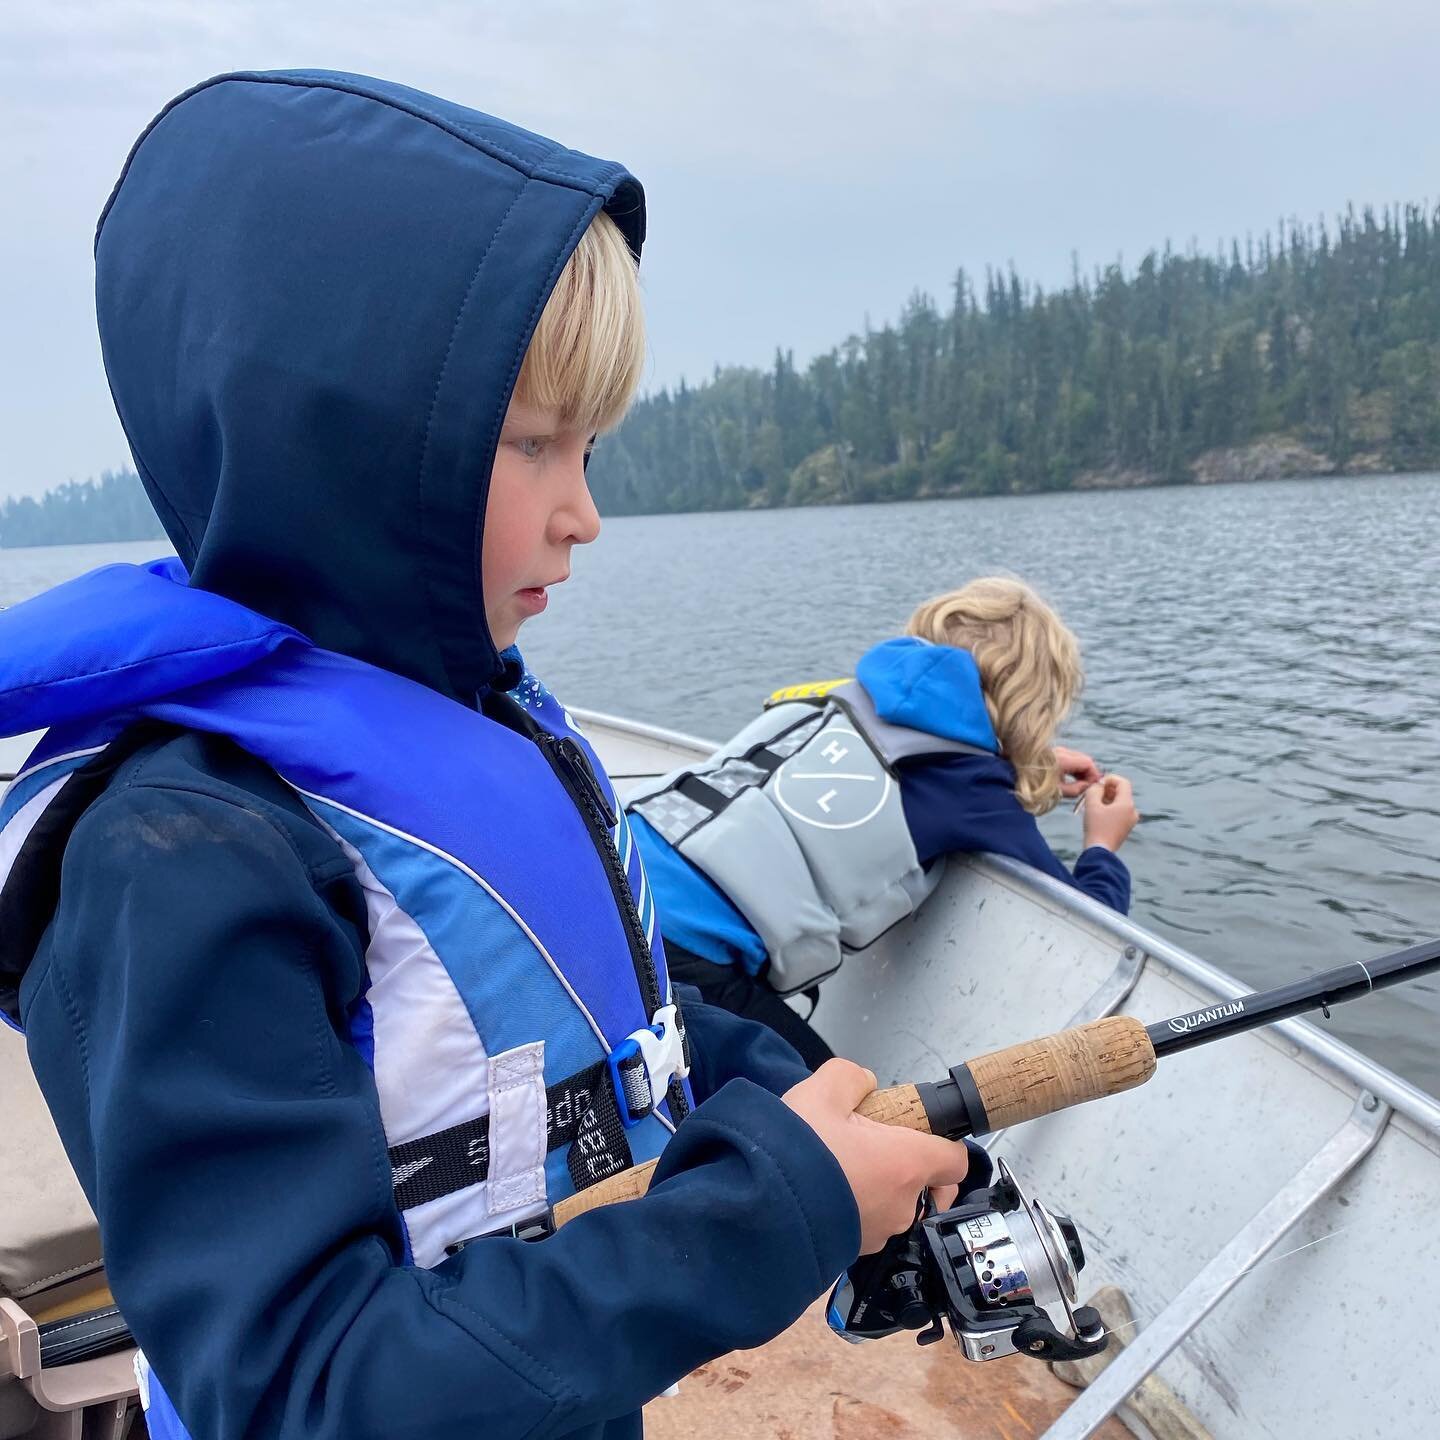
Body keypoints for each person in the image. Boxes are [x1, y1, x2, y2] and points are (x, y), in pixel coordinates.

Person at [0, 71, 978, 1440]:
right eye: (532, 446)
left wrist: (796, 1110)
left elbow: (609, 1025)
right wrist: (772, 1213)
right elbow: (306, 1394)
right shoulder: (179, 858)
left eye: (589, 446)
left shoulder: (480, 719)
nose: (584, 513)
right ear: (332, 460)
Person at [628, 577, 1140, 1069]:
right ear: (1032, 703)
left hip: (612, 871)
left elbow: (904, 769)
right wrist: (1102, 844)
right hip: (681, 950)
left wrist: (1035, 767)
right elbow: (1088, 922)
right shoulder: (974, 790)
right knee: (839, 1113)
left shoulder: (837, 697)